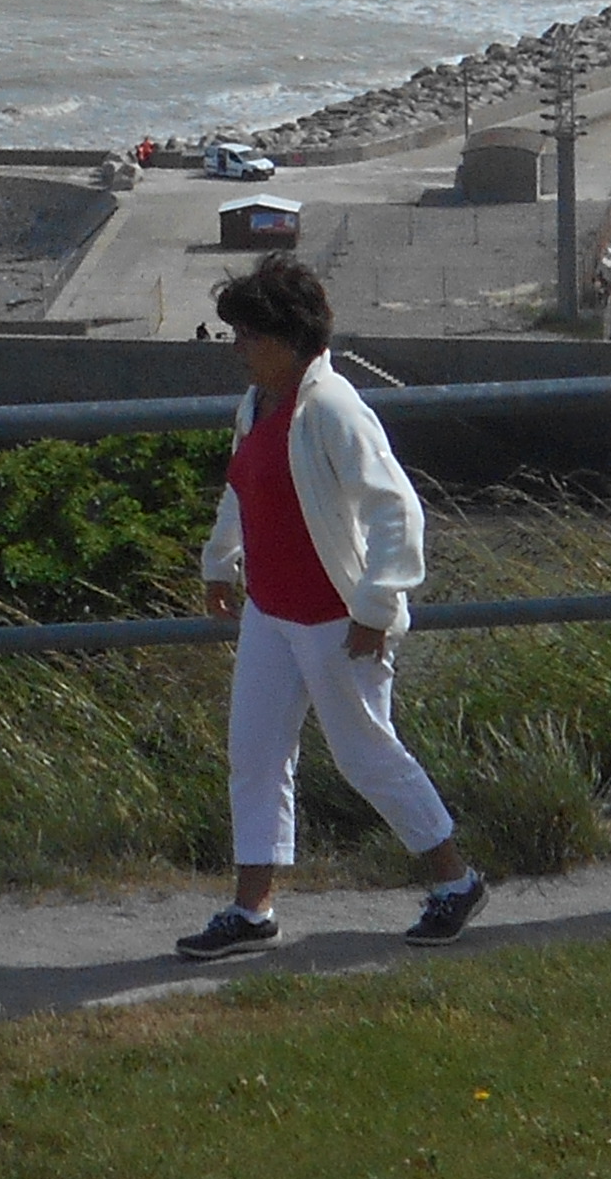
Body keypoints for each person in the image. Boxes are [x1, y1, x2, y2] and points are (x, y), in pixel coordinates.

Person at [177, 254, 487, 957]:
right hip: (272, 612)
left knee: (365, 754)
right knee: (254, 756)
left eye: (249, 337)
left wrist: (377, 606)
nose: (238, 351)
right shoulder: (259, 404)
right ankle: (252, 909)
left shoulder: (333, 408)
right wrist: (220, 562)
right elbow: (243, 487)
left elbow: (395, 510)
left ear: (289, 340)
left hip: (334, 618)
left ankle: (455, 880)